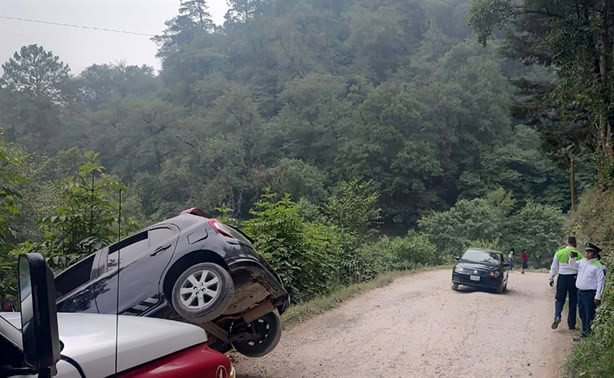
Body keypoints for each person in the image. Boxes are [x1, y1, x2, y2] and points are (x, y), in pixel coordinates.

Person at [569, 243, 606, 337]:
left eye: (590, 252)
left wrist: (598, 296)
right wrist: (572, 258)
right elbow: (573, 266)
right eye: (586, 251)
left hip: (590, 293)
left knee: (589, 314)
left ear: (595, 254)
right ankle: (584, 332)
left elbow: (601, 282)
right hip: (580, 292)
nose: (587, 253)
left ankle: (588, 334)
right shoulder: (583, 261)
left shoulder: (598, 266)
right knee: (582, 313)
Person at [548, 236, 583, 330]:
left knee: (559, 299)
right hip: (574, 278)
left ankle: (558, 316)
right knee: (573, 301)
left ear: (567, 242)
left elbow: (554, 267)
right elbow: (582, 267)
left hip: (562, 278)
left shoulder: (559, 253)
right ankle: (571, 324)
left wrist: (551, 278)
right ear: (575, 243)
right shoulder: (579, 254)